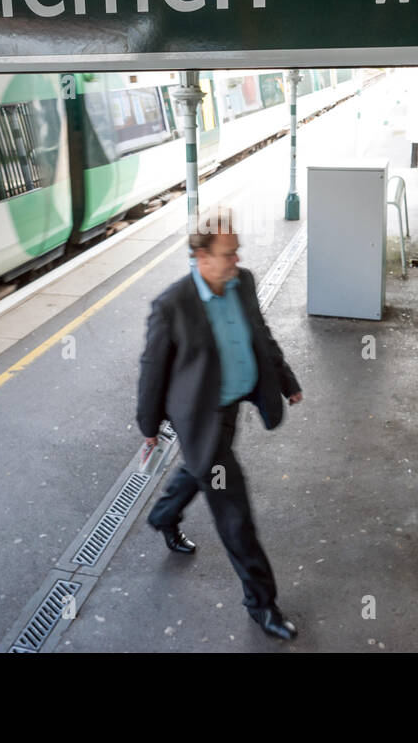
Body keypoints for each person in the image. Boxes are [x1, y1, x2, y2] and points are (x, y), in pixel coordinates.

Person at [136, 206, 304, 639]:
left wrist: (285, 380)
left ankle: (163, 515)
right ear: (201, 258)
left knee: (199, 468)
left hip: (232, 403)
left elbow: (260, 334)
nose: (237, 260)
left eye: (237, 252)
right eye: (228, 254)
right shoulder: (172, 305)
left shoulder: (241, 283)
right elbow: (153, 368)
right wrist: (149, 426)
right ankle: (261, 604)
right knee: (234, 512)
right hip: (201, 417)